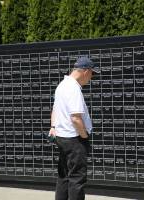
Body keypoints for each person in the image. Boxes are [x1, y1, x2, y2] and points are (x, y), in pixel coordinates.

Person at [49, 56, 99, 200]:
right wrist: (84, 136)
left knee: (64, 176)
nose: (91, 78)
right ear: (85, 71)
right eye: (92, 74)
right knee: (77, 179)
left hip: (62, 137)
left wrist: (53, 126)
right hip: (74, 139)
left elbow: (55, 110)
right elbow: (76, 118)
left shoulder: (62, 85)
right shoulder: (73, 89)